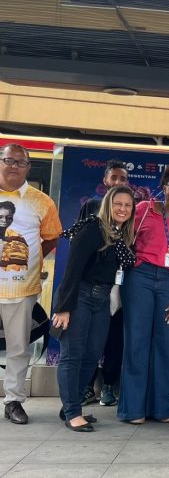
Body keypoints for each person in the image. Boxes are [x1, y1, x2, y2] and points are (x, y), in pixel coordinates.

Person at [117, 163, 169, 424]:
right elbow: (126, 242)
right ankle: (133, 410)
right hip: (140, 279)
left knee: (167, 344)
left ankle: (161, 408)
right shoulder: (142, 210)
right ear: (164, 186)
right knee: (136, 343)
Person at [52, 186, 136, 431]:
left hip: (101, 300)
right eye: (118, 203)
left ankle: (71, 405)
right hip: (79, 296)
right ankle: (72, 412)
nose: (122, 209)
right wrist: (64, 307)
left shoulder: (121, 235)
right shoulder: (92, 228)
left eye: (127, 205)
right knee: (73, 354)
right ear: (108, 204)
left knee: (92, 354)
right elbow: (73, 269)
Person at [0, 143, 62, 425]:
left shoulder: (42, 201)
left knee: (18, 347)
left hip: (20, 289)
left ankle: (13, 400)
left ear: (28, 167)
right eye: (8, 160)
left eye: (19, 162)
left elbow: (51, 237)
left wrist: (29, 263)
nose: (13, 166)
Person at [78, 159, 130, 407]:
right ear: (105, 181)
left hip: (118, 285)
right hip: (90, 286)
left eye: (123, 179)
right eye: (114, 178)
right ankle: (86, 387)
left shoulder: (130, 211)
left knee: (115, 337)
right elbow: (78, 244)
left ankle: (109, 385)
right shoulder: (91, 207)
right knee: (89, 338)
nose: (118, 182)